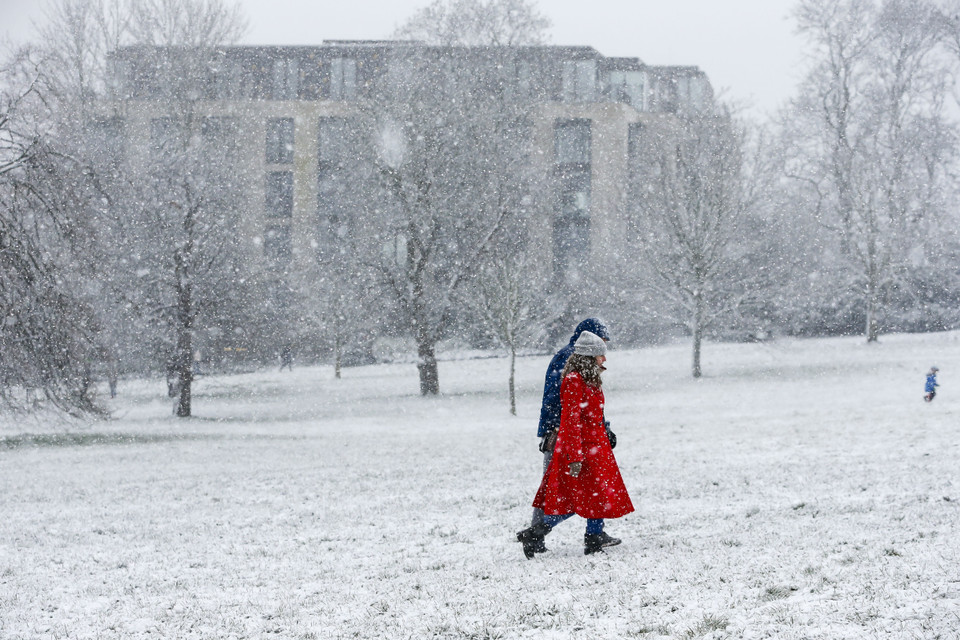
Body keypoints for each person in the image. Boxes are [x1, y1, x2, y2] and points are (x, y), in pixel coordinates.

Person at [517, 331, 634, 557]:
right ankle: (535, 533)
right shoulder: (573, 381)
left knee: (597, 495)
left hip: (597, 447)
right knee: (575, 499)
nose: (605, 359)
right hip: (582, 448)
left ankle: (594, 538)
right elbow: (570, 422)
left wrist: (606, 431)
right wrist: (575, 457)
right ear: (589, 356)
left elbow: (594, 414)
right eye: (601, 354)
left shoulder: (591, 378)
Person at [529, 318, 612, 552]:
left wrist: (603, 427)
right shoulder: (571, 360)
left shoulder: (578, 359)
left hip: (573, 435)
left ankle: (595, 533)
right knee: (555, 488)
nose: (604, 349)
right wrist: (558, 431)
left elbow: (589, 405)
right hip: (561, 435)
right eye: (602, 341)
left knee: (586, 487)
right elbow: (568, 405)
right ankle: (536, 534)